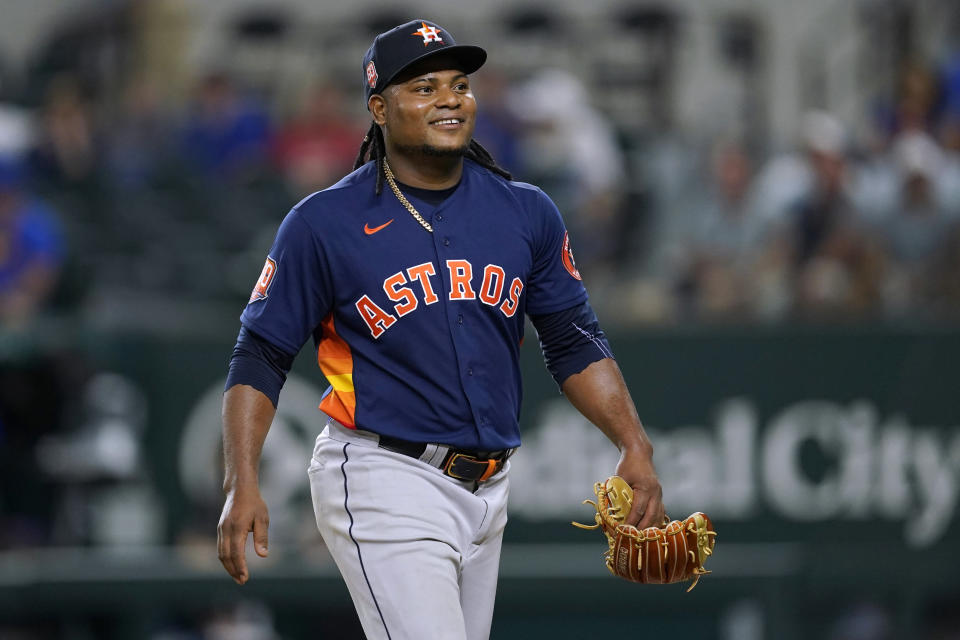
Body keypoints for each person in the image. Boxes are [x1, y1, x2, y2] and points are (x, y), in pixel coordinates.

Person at [217, 20, 664, 640]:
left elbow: (573, 339)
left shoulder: (525, 210)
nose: (450, 98)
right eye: (424, 87)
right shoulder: (323, 223)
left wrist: (632, 443)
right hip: (382, 474)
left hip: (489, 488)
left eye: (460, 84)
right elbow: (259, 355)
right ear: (378, 108)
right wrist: (242, 482)